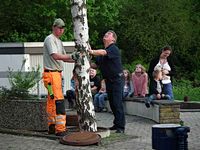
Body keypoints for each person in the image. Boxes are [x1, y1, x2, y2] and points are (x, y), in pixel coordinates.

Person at [42, 18, 75, 136]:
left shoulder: (59, 41)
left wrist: (77, 60)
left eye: (62, 28)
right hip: (52, 76)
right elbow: (56, 56)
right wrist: (73, 56)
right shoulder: (50, 39)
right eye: (59, 28)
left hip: (54, 75)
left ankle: (51, 126)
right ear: (54, 27)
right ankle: (60, 129)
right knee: (59, 101)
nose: (61, 30)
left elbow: (65, 57)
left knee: (51, 101)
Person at [88, 30, 125, 133]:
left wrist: (90, 51)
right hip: (109, 81)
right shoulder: (103, 53)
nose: (106, 34)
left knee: (117, 103)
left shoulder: (113, 48)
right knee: (112, 103)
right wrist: (85, 62)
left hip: (117, 79)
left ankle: (121, 127)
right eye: (106, 33)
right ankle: (117, 123)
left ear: (113, 39)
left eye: (109, 34)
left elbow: (102, 52)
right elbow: (96, 65)